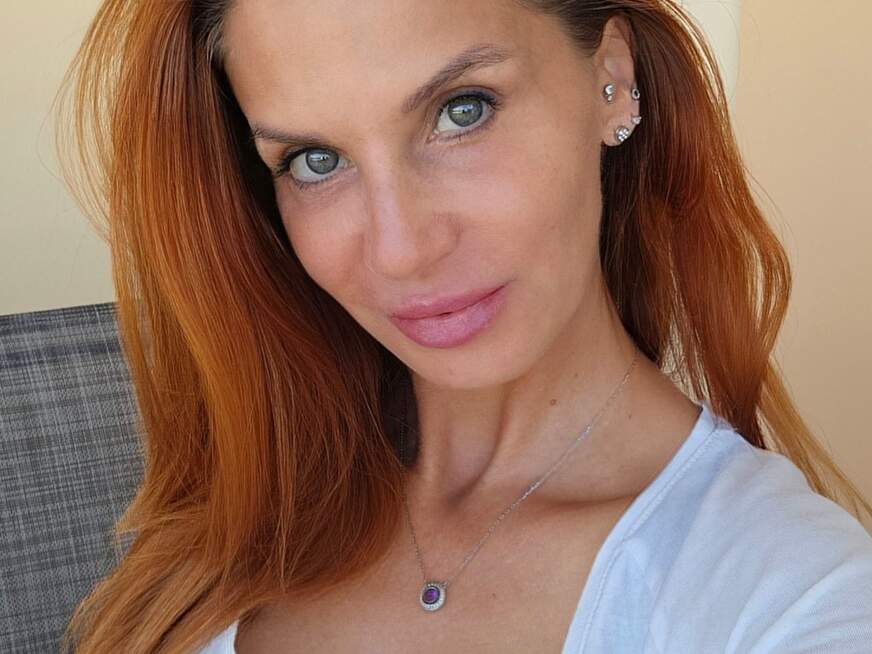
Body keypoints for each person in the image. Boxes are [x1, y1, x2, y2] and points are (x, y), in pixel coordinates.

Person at [56, 1, 872, 652]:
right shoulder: (249, 504)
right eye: (315, 160)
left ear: (612, 79)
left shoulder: (790, 595)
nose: (402, 250)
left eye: (462, 110)